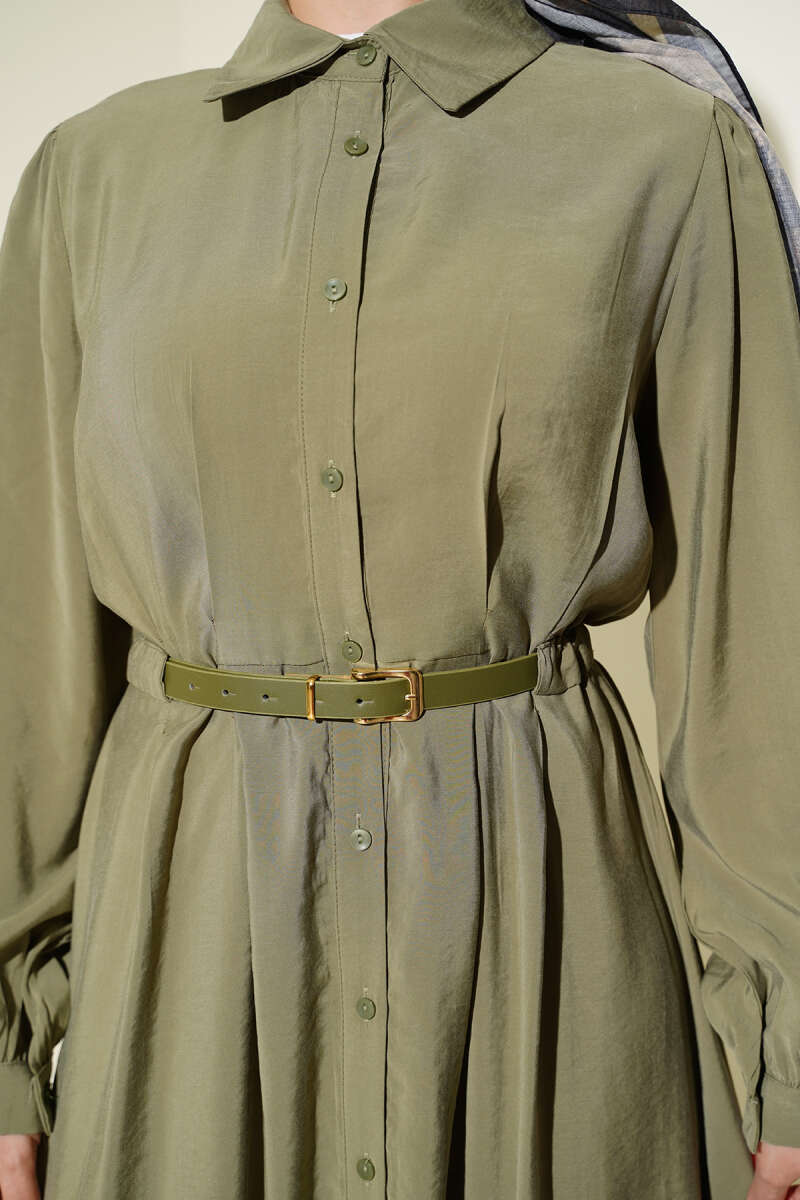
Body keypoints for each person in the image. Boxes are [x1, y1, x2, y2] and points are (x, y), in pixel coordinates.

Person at [2, 0, 800, 1195]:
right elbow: (28, 644)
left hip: (552, 925)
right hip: (193, 940)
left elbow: (759, 626)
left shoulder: (669, 149)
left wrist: (787, 1044)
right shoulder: (94, 172)